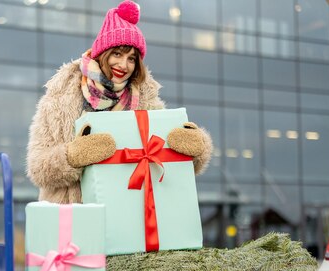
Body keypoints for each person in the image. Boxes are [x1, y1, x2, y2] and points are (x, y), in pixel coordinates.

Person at [26, 0, 213, 204]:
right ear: (102, 54)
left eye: (132, 58)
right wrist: (74, 155)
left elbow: (171, 158)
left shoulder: (146, 102)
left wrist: (197, 147)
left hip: (126, 211)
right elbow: (37, 168)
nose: (124, 65)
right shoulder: (59, 99)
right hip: (74, 216)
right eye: (117, 54)